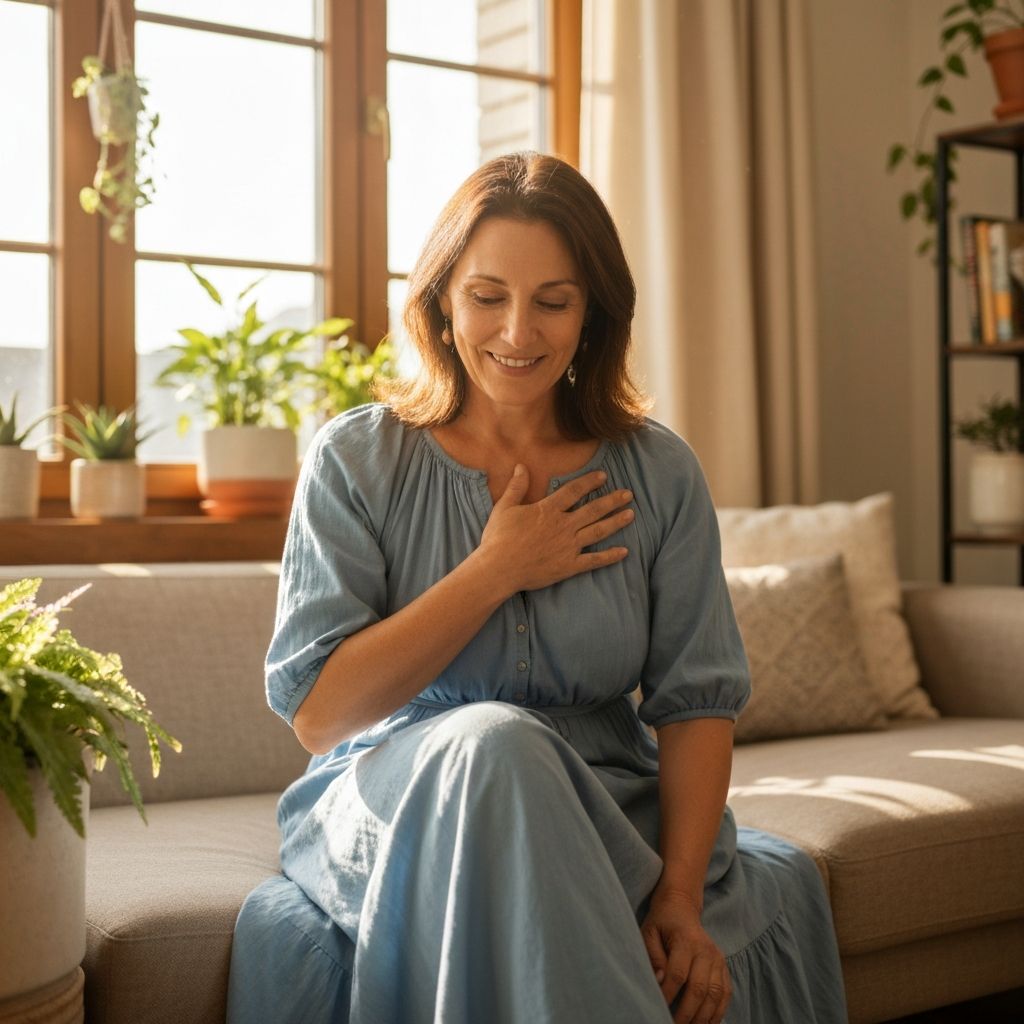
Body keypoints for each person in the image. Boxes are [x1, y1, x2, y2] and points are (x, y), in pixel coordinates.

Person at [226, 152, 848, 1024]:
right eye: (488, 296)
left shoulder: (660, 471)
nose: (518, 332)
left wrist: (676, 899)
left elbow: (697, 701)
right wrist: (495, 570)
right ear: (442, 300)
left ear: (592, 313)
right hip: (407, 795)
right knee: (497, 743)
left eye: (553, 301)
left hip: (605, 803)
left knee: (532, 767)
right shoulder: (355, 459)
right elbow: (322, 715)